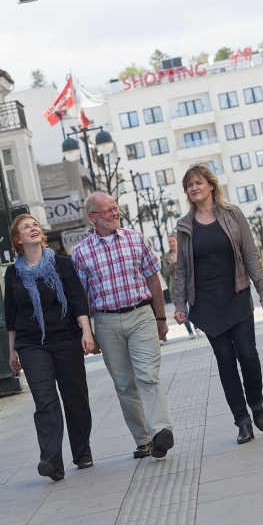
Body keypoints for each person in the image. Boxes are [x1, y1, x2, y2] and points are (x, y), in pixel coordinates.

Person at [174, 163, 263, 445]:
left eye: (198, 183)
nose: (194, 188)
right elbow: (181, 269)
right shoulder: (185, 226)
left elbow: (251, 255)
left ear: (211, 185)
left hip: (236, 294)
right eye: (189, 185)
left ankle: (255, 402)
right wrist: (180, 303)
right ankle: (242, 421)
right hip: (206, 302)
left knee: (248, 355)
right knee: (226, 362)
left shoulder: (232, 215)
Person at [72, 192, 174, 460]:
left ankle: (161, 431)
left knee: (147, 376)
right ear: (92, 217)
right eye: (107, 211)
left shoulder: (136, 239)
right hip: (105, 322)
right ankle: (144, 440)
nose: (114, 213)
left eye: (115, 208)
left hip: (141, 315)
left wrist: (160, 319)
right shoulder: (81, 252)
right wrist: (88, 332)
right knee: (123, 384)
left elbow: (153, 280)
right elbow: (81, 296)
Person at [4, 214, 94, 482]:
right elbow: (10, 315)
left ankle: (82, 451)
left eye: (35, 225)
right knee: (45, 401)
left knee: (74, 396)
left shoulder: (62, 265)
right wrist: (12, 350)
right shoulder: (13, 273)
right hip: (31, 343)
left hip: (66, 338)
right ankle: (51, 461)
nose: (33, 229)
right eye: (25, 227)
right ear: (18, 239)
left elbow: (77, 299)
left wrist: (86, 332)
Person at [161, 234, 202, 340]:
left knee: (193, 307)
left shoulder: (184, 252)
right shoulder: (166, 257)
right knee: (182, 311)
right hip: (176, 287)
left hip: (188, 284)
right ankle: (190, 331)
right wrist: (173, 263)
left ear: (177, 242)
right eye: (169, 242)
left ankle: (197, 326)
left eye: (173, 241)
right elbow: (166, 272)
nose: (171, 244)